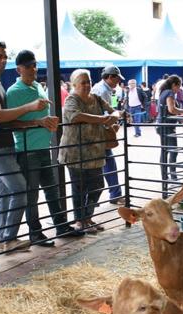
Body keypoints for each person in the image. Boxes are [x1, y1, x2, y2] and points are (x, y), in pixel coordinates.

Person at [0, 42, 50, 254]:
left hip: (5, 144)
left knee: (6, 194)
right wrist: (30, 107)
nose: (3, 60)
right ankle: (9, 238)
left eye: (5, 56)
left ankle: (4, 238)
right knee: (20, 189)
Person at [6, 49, 85, 246]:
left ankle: (60, 226)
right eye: (29, 66)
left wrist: (48, 122)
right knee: (32, 194)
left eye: (35, 65)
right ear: (19, 69)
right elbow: (11, 123)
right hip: (27, 149)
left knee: (51, 190)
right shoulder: (14, 92)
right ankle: (35, 232)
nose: (33, 68)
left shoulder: (37, 87)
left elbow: (39, 118)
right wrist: (39, 122)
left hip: (43, 147)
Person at [59, 69, 120, 234]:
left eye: (89, 82)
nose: (87, 85)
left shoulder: (97, 99)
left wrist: (114, 117)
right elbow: (75, 117)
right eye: (83, 83)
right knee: (79, 187)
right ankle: (80, 220)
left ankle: (87, 217)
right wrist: (101, 119)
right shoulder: (72, 100)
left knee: (98, 184)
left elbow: (114, 110)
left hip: (94, 150)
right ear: (74, 85)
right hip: (75, 152)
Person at [90, 65, 125, 205]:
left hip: (100, 130)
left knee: (105, 163)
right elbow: (103, 114)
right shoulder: (102, 91)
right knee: (106, 163)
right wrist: (111, 124)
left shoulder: (105, 89)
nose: (118, 81)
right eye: (117, 78)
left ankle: (113, 194)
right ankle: (113, 194)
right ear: (110, 77)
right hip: (100, 132)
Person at [156, 75, 183, 188]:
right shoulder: (170, 93)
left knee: (164, 150)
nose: (179, 89)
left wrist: (179, 118)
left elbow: (168, 111)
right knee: (173, 150)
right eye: (179, 86)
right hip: (167, 126)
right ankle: (173, 176)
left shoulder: (163, 92)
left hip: (162, 124)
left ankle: (165, 176)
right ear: (174, 85)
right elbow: (172, 109)